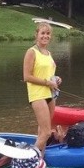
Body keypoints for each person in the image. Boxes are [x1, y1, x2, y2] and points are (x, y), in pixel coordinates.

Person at [23, 22, 61, 152]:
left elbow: (48, 74)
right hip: (38, 95)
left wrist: (56, 79)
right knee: (46, 133)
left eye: (48, 33)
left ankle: (40, 159)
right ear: (37, 35)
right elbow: (27, 77)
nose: (45, 36)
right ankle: (27, 160)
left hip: (50, 95)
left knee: (41, 132)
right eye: (43, 33)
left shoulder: (48, 53)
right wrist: (47, 82)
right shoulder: (31, 52)